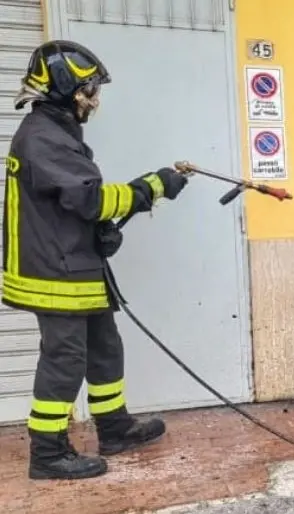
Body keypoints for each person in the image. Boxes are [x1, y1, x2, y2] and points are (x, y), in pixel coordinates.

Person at [4, 40, 190, 480]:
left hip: (73, 264)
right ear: (65, 88)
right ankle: (47, 454)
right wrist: (152, 187)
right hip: (54, 272)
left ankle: (114, 429)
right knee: (64, 360)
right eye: (88, 90)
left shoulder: (56, 133)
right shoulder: (44, 138)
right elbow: (90, 198)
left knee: (104, 346)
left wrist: (100, 228)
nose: (95, 100)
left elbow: (69, 203)